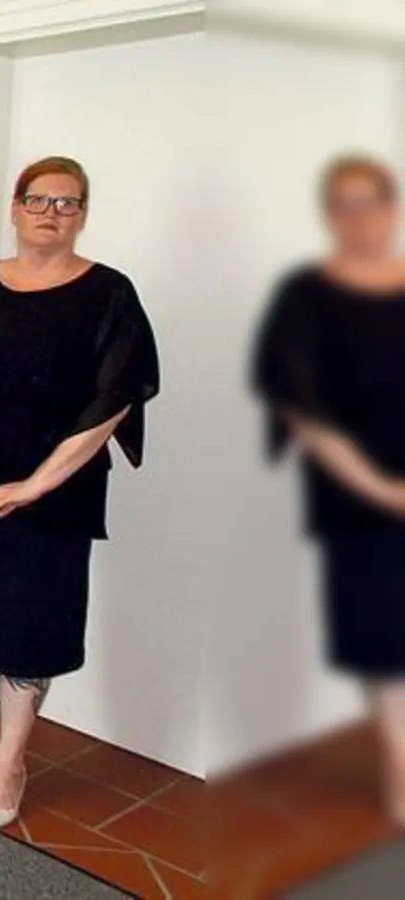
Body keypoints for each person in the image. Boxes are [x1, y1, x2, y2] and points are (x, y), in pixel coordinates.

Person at [0, 156, 160, 829]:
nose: (52, 213)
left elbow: (114, 403)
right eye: (39, 200)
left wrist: (36, 485)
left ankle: (14, 760)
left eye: (68, 203)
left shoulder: (109, 294)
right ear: (14, 207)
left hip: (53, 500)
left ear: (82, 215)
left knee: (26, 637)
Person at [252, 155, 405, 826]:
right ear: (327, 214)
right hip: (358, 504)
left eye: (370, 201)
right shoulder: (304, 297)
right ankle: (403, 775)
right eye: (343, 203)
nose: (359, 216)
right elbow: (302, 409)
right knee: (386, 647)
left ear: (392, 208)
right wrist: (384, 490)